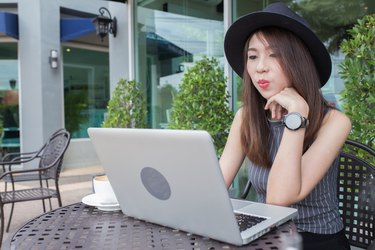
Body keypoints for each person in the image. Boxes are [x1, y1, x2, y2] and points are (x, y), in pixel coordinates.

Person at [220, 3, 351, 250]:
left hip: (317, 240)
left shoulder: (333, 122)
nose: (260, 67)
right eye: (253, 56)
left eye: (274, 55)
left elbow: (279, 198)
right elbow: (215, 185)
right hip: (264, 236)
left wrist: (296, 117)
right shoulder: (246, 117)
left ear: (298, 61)